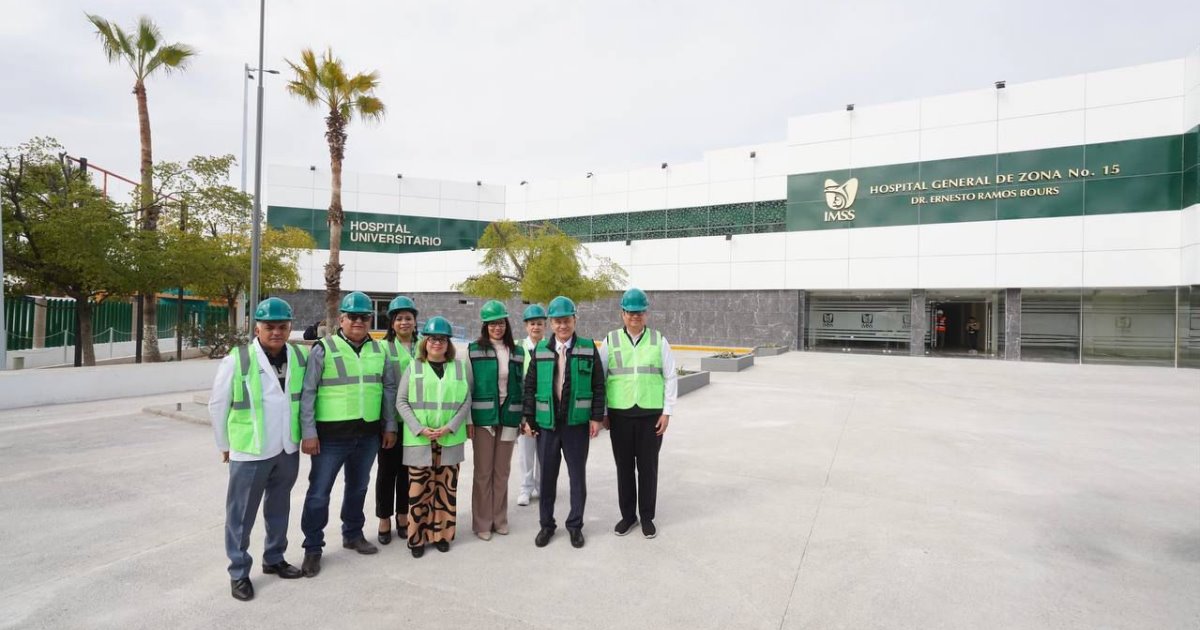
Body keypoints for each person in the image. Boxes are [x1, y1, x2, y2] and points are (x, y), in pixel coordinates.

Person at [208, 297, 308, 601]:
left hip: (286, 448)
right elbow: (217, 405)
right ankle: (239, 572)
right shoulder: (238, 359)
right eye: (269, 326)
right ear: (257, 328)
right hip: (251, 450)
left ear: (290, 327)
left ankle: (274, 558)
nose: (276, 332)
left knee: (279, 508)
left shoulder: (299, 357)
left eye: (282, 326)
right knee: (241, 515)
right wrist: (224, 444)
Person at [298, 291, 398, 577]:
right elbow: (309, 392)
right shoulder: (324, 348)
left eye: (364, 317)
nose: (358, 321)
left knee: (358, 488)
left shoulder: (380, 351)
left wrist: (389, 426)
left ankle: (352, 534)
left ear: (370, 320)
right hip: (330, 437)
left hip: (367, 435)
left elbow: (388, 390)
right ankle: (313, 547)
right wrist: (309, 432)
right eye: (352, 316)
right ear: (341, 319)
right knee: (319, 494)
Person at [521, 295, 606, 549]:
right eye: (557, 321)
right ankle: (546, 525)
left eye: (566, 320)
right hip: (547, 426)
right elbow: (530, 387)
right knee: (547, 479)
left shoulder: (588, 348)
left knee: (577, 478)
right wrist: (528, 419)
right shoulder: (541, 351)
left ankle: (575, 526)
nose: (562, 326)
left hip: (576, 425)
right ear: (551, 323)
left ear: (574, 320)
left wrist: (596, 418)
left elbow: (598, 386)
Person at [599, 288, 677, 539]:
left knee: (648, 468)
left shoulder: (659, 340)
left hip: (650, 415)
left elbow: (670, 376)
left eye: (639, 312)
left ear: (646, 313)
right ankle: (628, 516)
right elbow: (600, 379)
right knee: (623, 468)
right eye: (630, 312)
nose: (635, 316)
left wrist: (667, 412)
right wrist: (602, 412)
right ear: (622, 313)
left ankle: (646, 517)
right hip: (619, 415)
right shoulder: (610, 340)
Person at [395, 316, 472, 558]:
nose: (437, 343)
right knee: (418, 492)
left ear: (448, 343)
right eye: (432, 338)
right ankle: (417, 539)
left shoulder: (458, 367)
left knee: (446, 491)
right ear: (425, 342)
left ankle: (442, 535)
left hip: (449, 439)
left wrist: (450, 426)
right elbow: (401, 401)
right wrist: (419, 428)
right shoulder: (414, 367)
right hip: (420, 440)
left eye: (442, 339)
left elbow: (466, 400)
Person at [467, 300, 526, 540]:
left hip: (509, 418)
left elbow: (520, 386)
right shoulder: (474, 350)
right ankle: (482, 523)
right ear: (485, 326)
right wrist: (470, 420)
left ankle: (499, 519)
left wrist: (521, 417)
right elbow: (467, 387)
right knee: (483, 473)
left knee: (502, 472)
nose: (497, 328)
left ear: (506, 324)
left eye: (500, 323)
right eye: (492, 324)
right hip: (483, 420)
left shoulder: (518, 352)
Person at [375, 295, 418, 545]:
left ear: (415, 321)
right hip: (391, 421)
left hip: (416, 423)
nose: (404, 322)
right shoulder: (381, 348)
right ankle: (384, 518)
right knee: (386, 472)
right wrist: (388, 424)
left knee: (407, 473)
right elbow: (384, 389)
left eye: (408, 318)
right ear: (392, 322)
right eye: (399, 318)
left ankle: (403, 515)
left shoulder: (424, 344)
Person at [516, 304, 547, 506]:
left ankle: (542, 487)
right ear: (526, 326)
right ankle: (526, 488)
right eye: (532, 324)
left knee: (544, 451)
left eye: (539, 324)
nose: (536, 327)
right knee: (525, 451)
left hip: (545, 408)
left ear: (545, 326)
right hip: (524, 408)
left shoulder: (550, 346)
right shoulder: (518, 348)